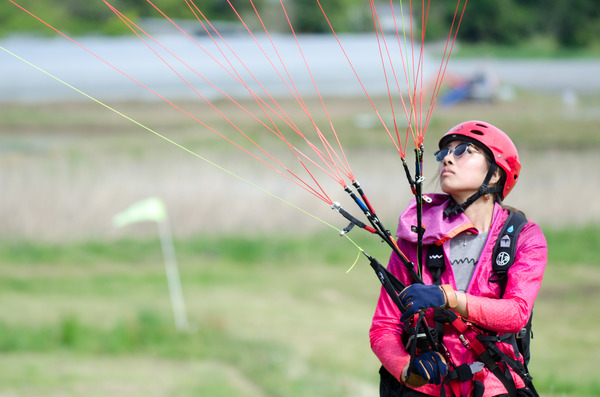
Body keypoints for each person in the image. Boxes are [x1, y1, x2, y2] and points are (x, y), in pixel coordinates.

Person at [369, 120, 547, 397]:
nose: (447, 158)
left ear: (496, 174)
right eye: (443, 153)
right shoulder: (416, 236)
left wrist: (449, 299)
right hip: (428, 387)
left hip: (494, 384)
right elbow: (384, 325)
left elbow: (516, 313)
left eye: (465, 150)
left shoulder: (523, 236)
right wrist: (408, 371)